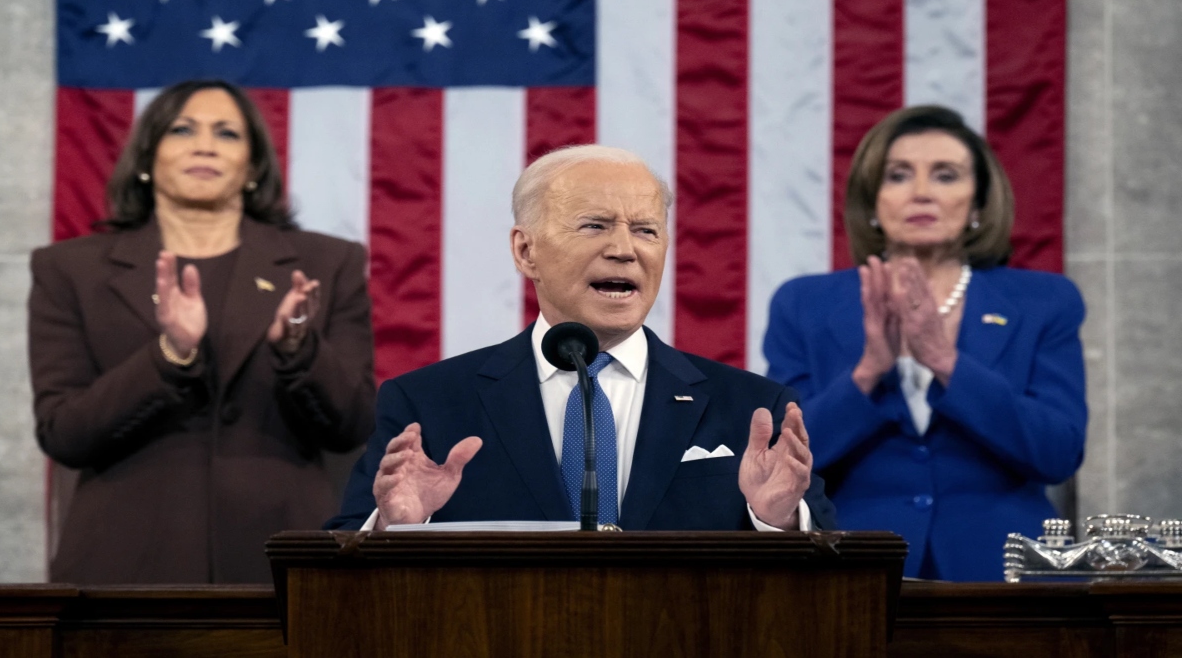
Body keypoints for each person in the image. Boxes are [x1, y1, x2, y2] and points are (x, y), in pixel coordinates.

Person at [328, 145, 835, 532]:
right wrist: (399, 528)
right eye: (594, 226)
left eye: (646, 230)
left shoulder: (753, 407)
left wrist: (778, 521)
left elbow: (832, 570)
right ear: (526, 251)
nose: (624, 249)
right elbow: (344, 559)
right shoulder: (429, 404)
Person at [29, 79, 376, 584]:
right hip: (125, 566)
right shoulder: (70, 270)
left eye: (227, 133)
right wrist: (170, 355)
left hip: (285, 564)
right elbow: (64, 433)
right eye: (182, 129)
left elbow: (355, 425)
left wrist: (299, 349)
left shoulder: (326, 263)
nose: (205, 144)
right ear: (148, 155)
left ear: (254, 164)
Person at [763, 105, 1086, 581]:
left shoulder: (1044, 300)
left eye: (945, 175)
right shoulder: (803, 303)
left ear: (978, 204)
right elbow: (779, 459)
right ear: (872, 202)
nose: (921, 193)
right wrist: (868, 371)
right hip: (850, 570)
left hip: (1004, 575)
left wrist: (945, 361)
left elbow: (1057, 452)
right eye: (898, 176)